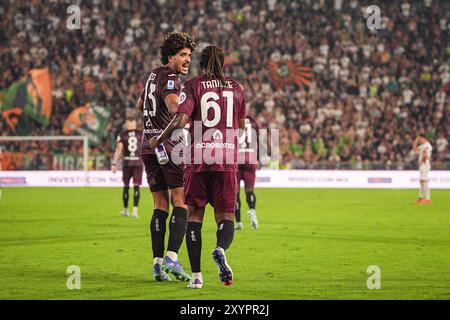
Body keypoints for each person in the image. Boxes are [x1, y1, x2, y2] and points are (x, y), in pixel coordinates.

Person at [150, 45, 246, 289]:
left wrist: (159, 139)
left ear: (200, 65)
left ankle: (196, 277)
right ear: (223, 64)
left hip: (198, 158)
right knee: (226, 217)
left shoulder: (192, 85)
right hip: (226, 158)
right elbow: (241, 127)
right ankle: (220, 249)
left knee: (194, 216)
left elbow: (181, 120)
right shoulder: (237, 88)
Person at [136, 32, 196, 282]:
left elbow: (140, 105)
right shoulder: (171, 79)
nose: (187, 60)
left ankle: (157, 265)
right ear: (170, 56)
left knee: (160, 205)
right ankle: (172, 257)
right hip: (169, 146)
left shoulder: (152, 75)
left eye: (190, 55)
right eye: (183, 55)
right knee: (181, 202)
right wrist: (187, 110)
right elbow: (174, 107)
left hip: (147, 146)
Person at [112, 115, 144, 218]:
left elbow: (119, 150)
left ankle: (125, 210)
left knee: (126, 187)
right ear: (134, 124)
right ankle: (135, 210)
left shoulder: (122, 134)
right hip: (138, 163)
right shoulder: (141, 134)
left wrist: (114, 162)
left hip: (127, 163)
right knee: (136, 187)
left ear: (126, 125)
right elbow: (145, 148)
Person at [235, 116, 260, 230]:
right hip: (251, 158)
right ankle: (252, 211)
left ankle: (238, 222)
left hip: (236, 158)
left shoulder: (234, 119)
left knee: (235, 192)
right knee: (249, 190)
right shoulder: (254, 122)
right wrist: (257, 158)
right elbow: (259, 142)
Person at [413, 134, 433, 204]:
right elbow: (415, 149)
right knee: (422, 182)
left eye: (420, 139)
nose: (419, 141)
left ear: (423, 138)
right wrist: (416, 141)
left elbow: (426, 155)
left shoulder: (427, 145)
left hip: (424, 164)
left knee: (424, 181)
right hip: (423, 165)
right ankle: (420, 198)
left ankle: (427, 198)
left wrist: (422, 161)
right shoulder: (423, 145)